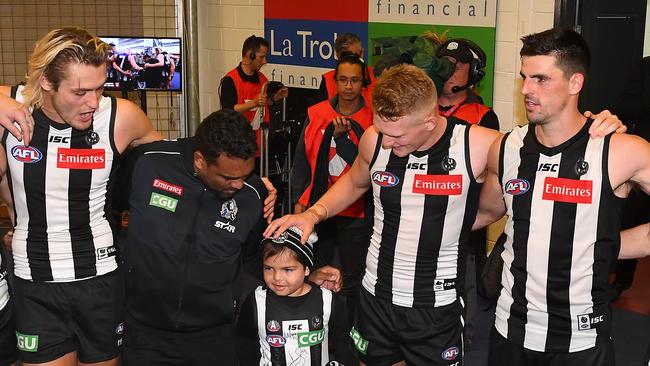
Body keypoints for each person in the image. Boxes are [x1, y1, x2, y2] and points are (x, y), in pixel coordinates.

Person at [265, 61, 625, 364]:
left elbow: (551, 145)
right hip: (377, 295)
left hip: (437, 307)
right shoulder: (376, 139)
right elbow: (357, 181)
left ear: (429, 120)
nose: (387, 142)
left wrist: (595, 127)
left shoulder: (478, 144)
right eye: (383, 131)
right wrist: (314, 213)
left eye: (397, 136)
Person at [472, 28, 650, 366]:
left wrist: (609, 243)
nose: (526, 89)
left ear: (575, 84)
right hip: (509, 329)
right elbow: (484, 213)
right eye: (524, 77)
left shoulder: (619, 150)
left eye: (541, 79)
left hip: (581, 341)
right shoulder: (507, 148)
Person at [116, 109, 341, 366]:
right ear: (200, 160)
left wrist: (302, 279)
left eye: (245, 176)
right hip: (144, 333)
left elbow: (257, 261)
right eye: (228, 177)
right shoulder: (149, 163)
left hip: (215, 337)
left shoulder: (254, 194)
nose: (237, 185)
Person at [0, 27, 166, 366]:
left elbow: (178, 161)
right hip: (35, 282)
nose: (93, 102)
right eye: (80, 92)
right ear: (46, 81)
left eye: (99, 87)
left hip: (100, 281)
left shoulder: (119, 117)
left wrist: (251, 187)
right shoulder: (11, 107)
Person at [237, 226, 350, 366]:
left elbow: (344, 341)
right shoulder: (256, 301)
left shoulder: (327, 300)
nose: (277, 277)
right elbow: (244, 342)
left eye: (288, 270)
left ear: (307, 268)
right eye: (269, 268)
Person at [609, 56, 650, 301]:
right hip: (641, 162)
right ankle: (622, 280)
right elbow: (624, 106)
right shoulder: (645, 66)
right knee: (631, 221)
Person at [219, 35, 289, 155]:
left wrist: (275, 98)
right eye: (261, 57)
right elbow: (228, 110)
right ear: (250, 55)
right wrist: (253, 103)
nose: (264, 61)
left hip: (259, 147)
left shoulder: (263, 80)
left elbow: (263, 107)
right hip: (237, 147)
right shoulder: (230, 80)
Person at [314, 33, 376, 105]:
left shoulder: (375, 76)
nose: (350, 61)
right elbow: (320, 112)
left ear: (362, 53)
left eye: (355, 56)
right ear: (337, 56)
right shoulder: (328, 79)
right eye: (346, 57)